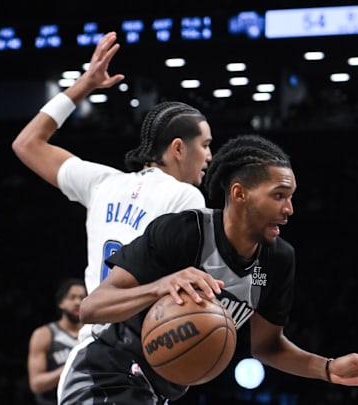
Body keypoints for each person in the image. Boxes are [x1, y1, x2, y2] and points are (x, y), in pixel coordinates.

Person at [62, 134, 358, 404]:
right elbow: (91, 309)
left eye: (292, 196)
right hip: (105, 373)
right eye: (279, 195)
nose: (290, 209)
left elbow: (267, 347)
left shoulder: (278, 260)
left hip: (157, 391)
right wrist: (162, 285)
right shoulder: (183, 232)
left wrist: (329, 369)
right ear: (239, 193)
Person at [12, 31, 214, 403]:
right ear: (178, 148)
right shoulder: (186, 197)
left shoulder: (102, 183)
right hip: (123, 357)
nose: (209, 157)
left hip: (96, 358)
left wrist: (83, 84)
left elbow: (27, 144)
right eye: (205, 146)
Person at [27, 278, 87, 405]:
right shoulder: (44, 334)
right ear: (61, 303)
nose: (78, 302)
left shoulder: (94, 332)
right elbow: (36, 384)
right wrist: (68, 368)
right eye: (72, 298)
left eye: (82, 298)